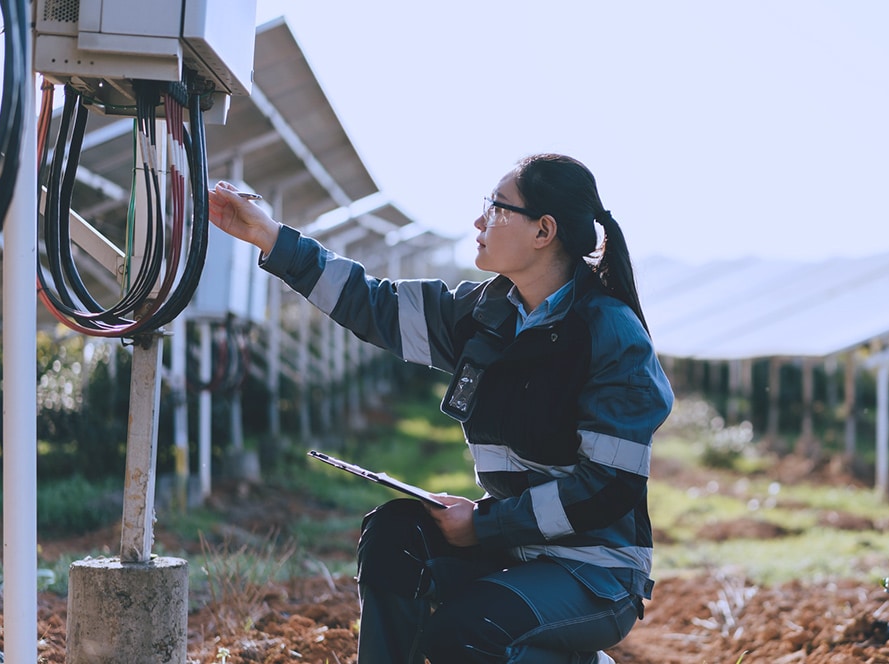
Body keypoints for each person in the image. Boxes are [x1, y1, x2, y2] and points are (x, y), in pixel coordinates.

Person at [207, 153, 674, 664]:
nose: (479, 222)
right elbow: (372, 303)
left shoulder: (610, 335)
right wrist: (270, 236)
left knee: (463, 636)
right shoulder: (484, 314)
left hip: (594, 571)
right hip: (514, 549)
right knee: (394, 539)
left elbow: (609, 487)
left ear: (544, 231)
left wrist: (486, 525)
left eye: (496, 208)